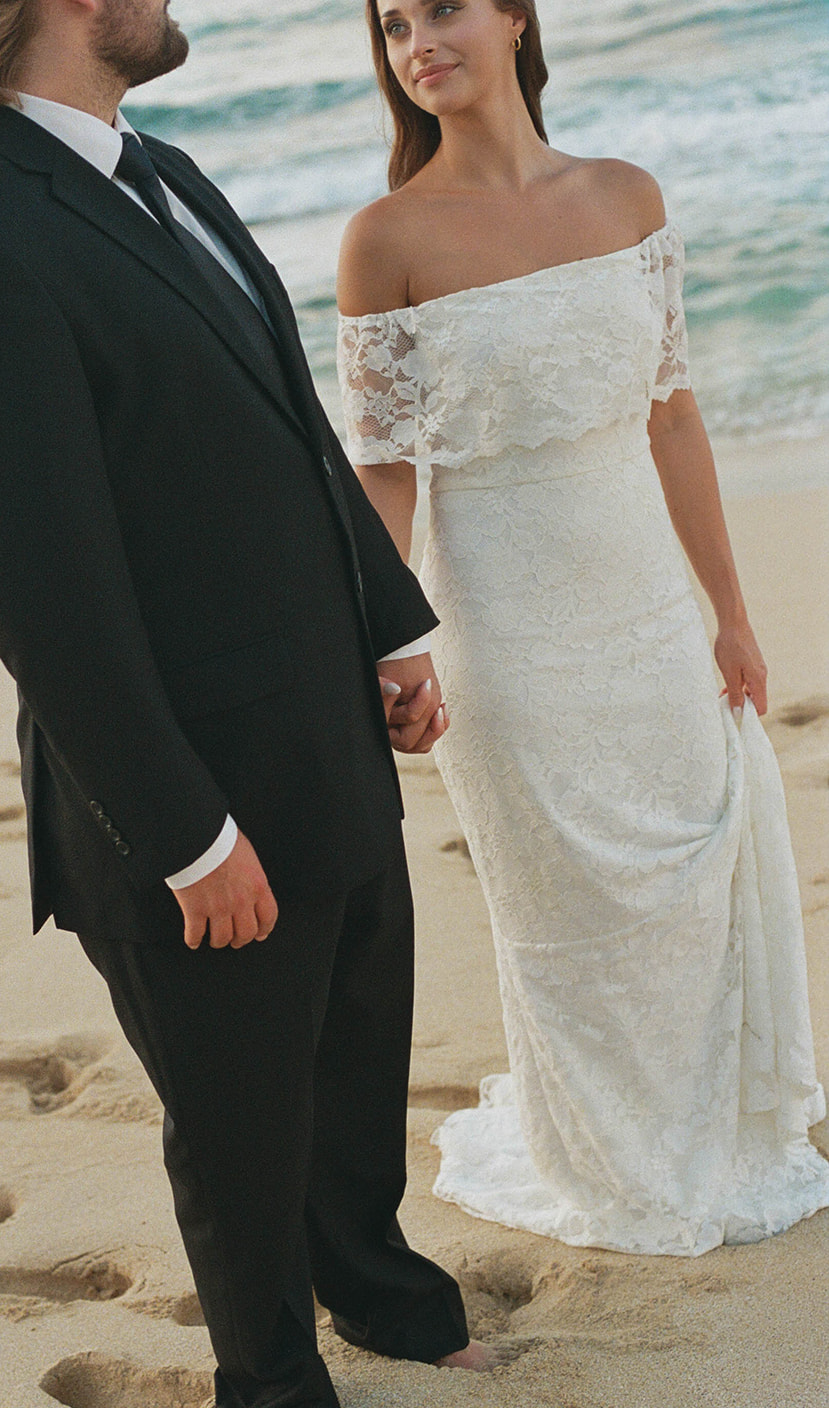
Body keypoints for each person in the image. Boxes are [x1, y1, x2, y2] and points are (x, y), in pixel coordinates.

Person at [0, 0, 501, 1408]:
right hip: (187, 793)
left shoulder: (157, 168)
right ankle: (278, 1398)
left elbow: (287, 421)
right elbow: (45, 595)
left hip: (321, 728)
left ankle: (379, 1290)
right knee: (238, 1120)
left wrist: (386, 621)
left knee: (357, 1052)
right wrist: (180, 835)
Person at [336, 0, 829, 1255]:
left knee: (687, 882)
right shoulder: (384, 237)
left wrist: (728, 610)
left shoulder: (623, 196)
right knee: (566, 912)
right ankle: (609, 1162)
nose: (416, 44)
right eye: (392, 28)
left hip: (648, 603)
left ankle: (710, 1133)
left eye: (439, 11)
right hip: (496, 627)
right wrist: (384, 639)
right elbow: (386, 469)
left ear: (511, 16)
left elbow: (671, 413)